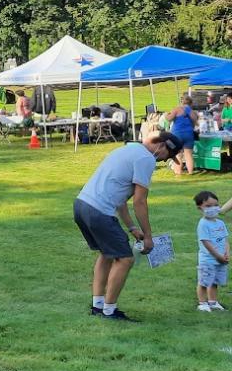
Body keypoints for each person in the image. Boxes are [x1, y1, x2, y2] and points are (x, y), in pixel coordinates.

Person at [73, 129, 183, 321]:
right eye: (167, 155)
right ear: (161, 146)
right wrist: (148, 236)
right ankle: (109, 311)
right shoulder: (146, 159)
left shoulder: (127, 149)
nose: (164, 160)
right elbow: (139, 201)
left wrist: (132, 228)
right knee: (125, 259)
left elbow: (121, 200)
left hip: (81, 204)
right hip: (98, 211)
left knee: (107, 253)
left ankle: (98, 306)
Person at [194, 190, 229, 312]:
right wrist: (218, 256)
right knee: (204, 282)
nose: (213, 208)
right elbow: (206, 243)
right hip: (208, 260)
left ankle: (213, 302)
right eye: (208, 206)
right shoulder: (203, 224)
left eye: (215, 205)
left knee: (214, 282)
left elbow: (225, 239)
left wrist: (226, 253)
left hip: (221, 259)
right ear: (200, 208)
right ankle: (202, 303)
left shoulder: (220, 223)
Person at [166, 94, 199, 176]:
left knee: (178, 155)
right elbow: (196, 122)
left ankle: (178, 173)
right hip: (189, 134)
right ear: (191, 103)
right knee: (188, 155)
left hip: (177, 134)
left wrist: (166, 115)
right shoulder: (192, 112)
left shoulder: (177, 109)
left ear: (181, 102)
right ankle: (190, 172)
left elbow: (169, 119)